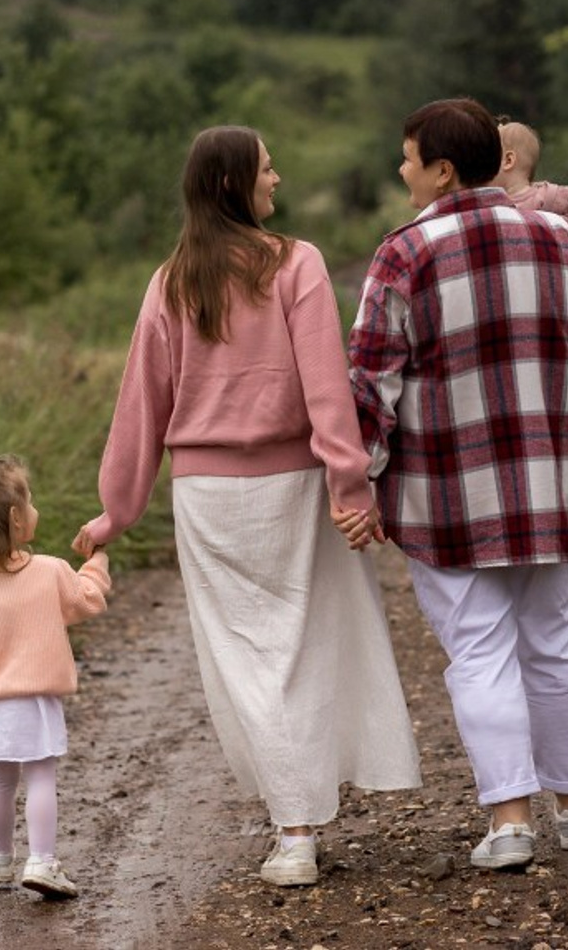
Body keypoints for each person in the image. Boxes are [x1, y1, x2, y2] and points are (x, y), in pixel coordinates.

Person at [71, 125, 421, 889]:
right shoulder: (296, 264)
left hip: (205, 499)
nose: (279, 178)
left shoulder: (169, 282)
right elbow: (327, 387)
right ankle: (300, 822)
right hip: (293, 485)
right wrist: (349, 486)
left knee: (246, 660)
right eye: (267, 169)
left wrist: (116, 513)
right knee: (304, 643)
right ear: (235, 184)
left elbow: (141, 407)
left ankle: (291, 827)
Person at [343, 97, 568, 872]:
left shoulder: (403, 254)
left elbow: (370, 382)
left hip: (447, 493)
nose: (402, 169)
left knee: (480, 652)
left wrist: (361, 479)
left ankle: (511, 820)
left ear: (442, 169)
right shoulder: (557, 235)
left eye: (408, 157)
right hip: (546, 483)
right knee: (554, 644)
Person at [0, 455, 111, 900]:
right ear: (16, 519)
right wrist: (97, 563)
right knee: (41, 778)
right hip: (33, 699)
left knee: (0, 781)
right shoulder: (49, 571)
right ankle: (43, 861)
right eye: (29, 503)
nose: (34, 510)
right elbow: (87, 601)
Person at [494, 117, 568, 232]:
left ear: (508, 161)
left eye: (487, 156)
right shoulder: (491, 203)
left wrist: (556, 231)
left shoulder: (548, 196)